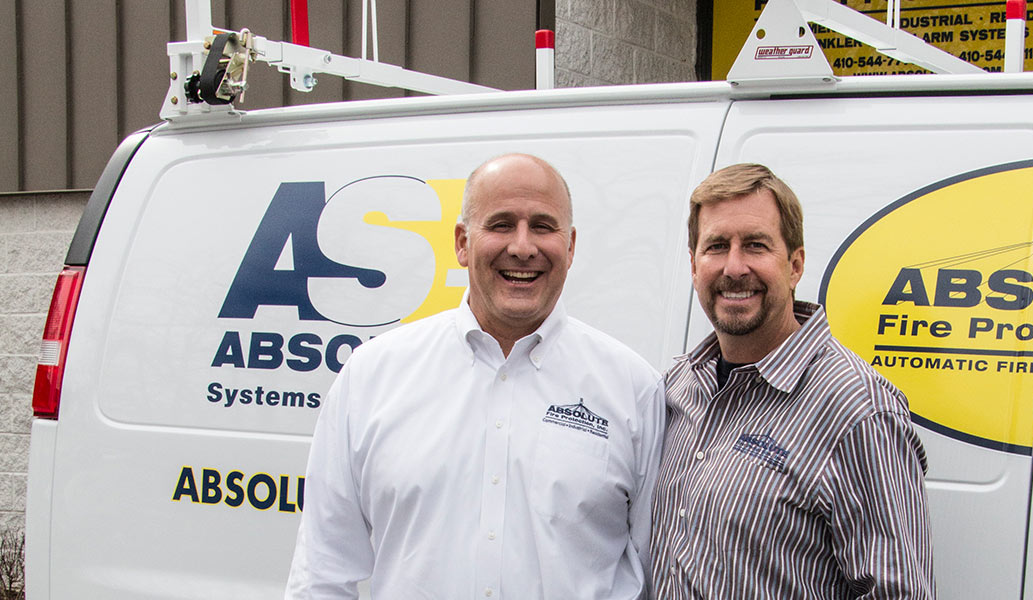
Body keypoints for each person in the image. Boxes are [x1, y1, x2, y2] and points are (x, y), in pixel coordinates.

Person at [286, 153, 665, 599]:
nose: (523, 247)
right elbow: (322, 573)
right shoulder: (373, 376)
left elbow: (655, 572)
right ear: (463, 242)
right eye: (501, 224)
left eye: (543, 226)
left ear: (571, 245)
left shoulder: (632, 389)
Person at [650, 163, 935, 599]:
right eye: (716, 246)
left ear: (795, 265)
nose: (734, 266)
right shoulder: (681, 386)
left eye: (756, 245)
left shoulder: (857, 410)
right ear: (693, 265)